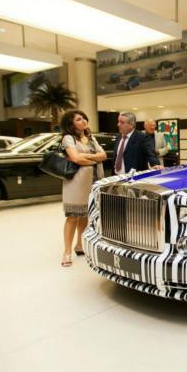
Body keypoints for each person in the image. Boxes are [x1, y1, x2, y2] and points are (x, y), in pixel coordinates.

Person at [60, 110, 107, 267]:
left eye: (84, 118)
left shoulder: (91, 137)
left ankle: (79, 245)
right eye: (79, 119)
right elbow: (75, 158)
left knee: (86, 215)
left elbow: (103, 155)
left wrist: (86, 158)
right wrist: (95, 159)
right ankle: (67, 252)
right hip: (76, 182)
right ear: (71, 124)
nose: (84, 121)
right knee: (73, 217)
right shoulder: (68, 138)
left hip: (94, 181)